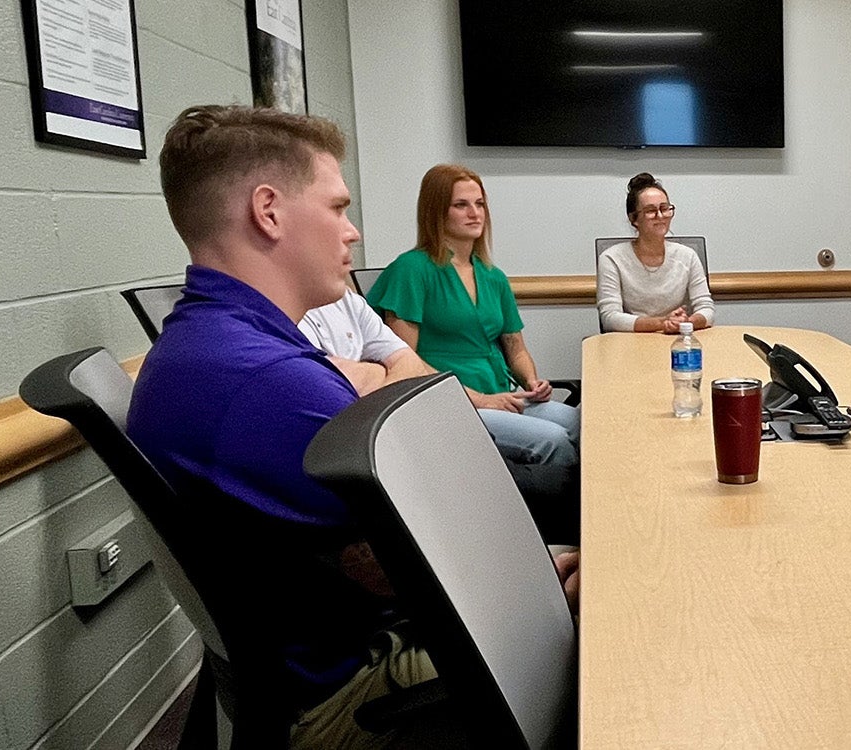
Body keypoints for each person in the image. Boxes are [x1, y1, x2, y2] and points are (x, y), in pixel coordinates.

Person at [125, 105, 580, 750]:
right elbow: (423, 576)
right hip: (353, 688)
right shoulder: (264, 382)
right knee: (627, 623)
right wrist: (552, 576)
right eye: (337, 208)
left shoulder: (213, 344)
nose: (354, 232)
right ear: (269, 212)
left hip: (330, 652)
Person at [363, 164, 581, 523]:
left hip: (502, 395)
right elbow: (405, 364)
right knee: (552, 440)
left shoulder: (492, 276)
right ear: (436, 211)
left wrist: (532, 381)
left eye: (479, 204)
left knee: (579, 424)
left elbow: (516, 348)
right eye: (461, 205)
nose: (475, 213)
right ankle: (549, 531)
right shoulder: (411, 270)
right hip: (452, 405)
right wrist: (481, 400)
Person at [597, 172, 715, 333]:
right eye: (650, 210)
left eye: (665, 208)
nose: (660, 216)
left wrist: (687, 322)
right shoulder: (611, 258)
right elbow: (610, 318)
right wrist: (662, 322)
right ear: (634, 219)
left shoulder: (688, 256)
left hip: (679, 340)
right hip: (631, 344)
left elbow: (707, 309)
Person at [299, 288, 437, 395]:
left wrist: (372, 377)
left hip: (376, 422)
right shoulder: (284, 314)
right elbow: (320, 387)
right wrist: (382, 371)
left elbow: (411, 364)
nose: (348, 250)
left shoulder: (347, 299)